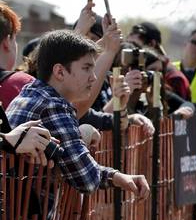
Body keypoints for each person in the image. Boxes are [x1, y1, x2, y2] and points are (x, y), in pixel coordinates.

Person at [7, 29, 150, 195]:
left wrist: (116, 177)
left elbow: (83, 169)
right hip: (22, 219)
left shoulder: (31, 93)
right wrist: (84, 134)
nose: (94, 77)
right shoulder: (54, 107)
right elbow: (87, 179)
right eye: (86, 68)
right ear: (60, 71)